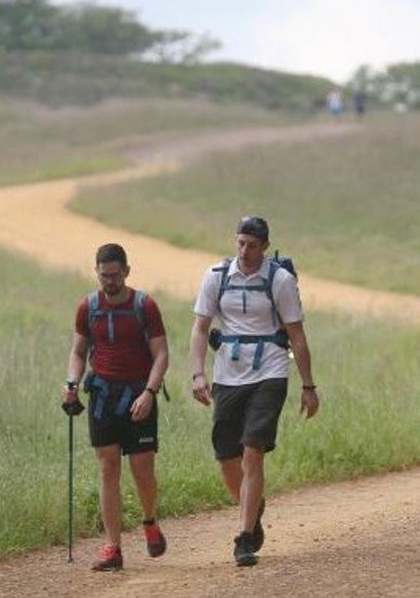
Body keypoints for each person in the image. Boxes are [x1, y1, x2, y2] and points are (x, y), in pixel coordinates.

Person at [190, 216, 319, 567]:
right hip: (228, 374)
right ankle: (253, 505)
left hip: (271, 370)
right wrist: (198, 374)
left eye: (251, 245)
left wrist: (308, 386)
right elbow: (201, 327)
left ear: (264, 246)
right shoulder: (216, 276)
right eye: (240, 243)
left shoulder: (280, 280)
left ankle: (245, 538)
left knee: (252, 451)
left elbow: (297, 335)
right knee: (225, 455)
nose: (245, 251)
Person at [63, 243, 170, 571]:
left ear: (126, 271)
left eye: (114, 274)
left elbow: (161, 354)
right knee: (108, 469)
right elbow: (78, 352)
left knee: (142, 471)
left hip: (139, 397)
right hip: (103, 399)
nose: (108, 281)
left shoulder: (145, 306)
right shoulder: (88, 307)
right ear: (96, 271)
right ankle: (113, 548)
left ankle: (149, 520)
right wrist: (72, 385)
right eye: (103, 274)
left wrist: (150, 393)